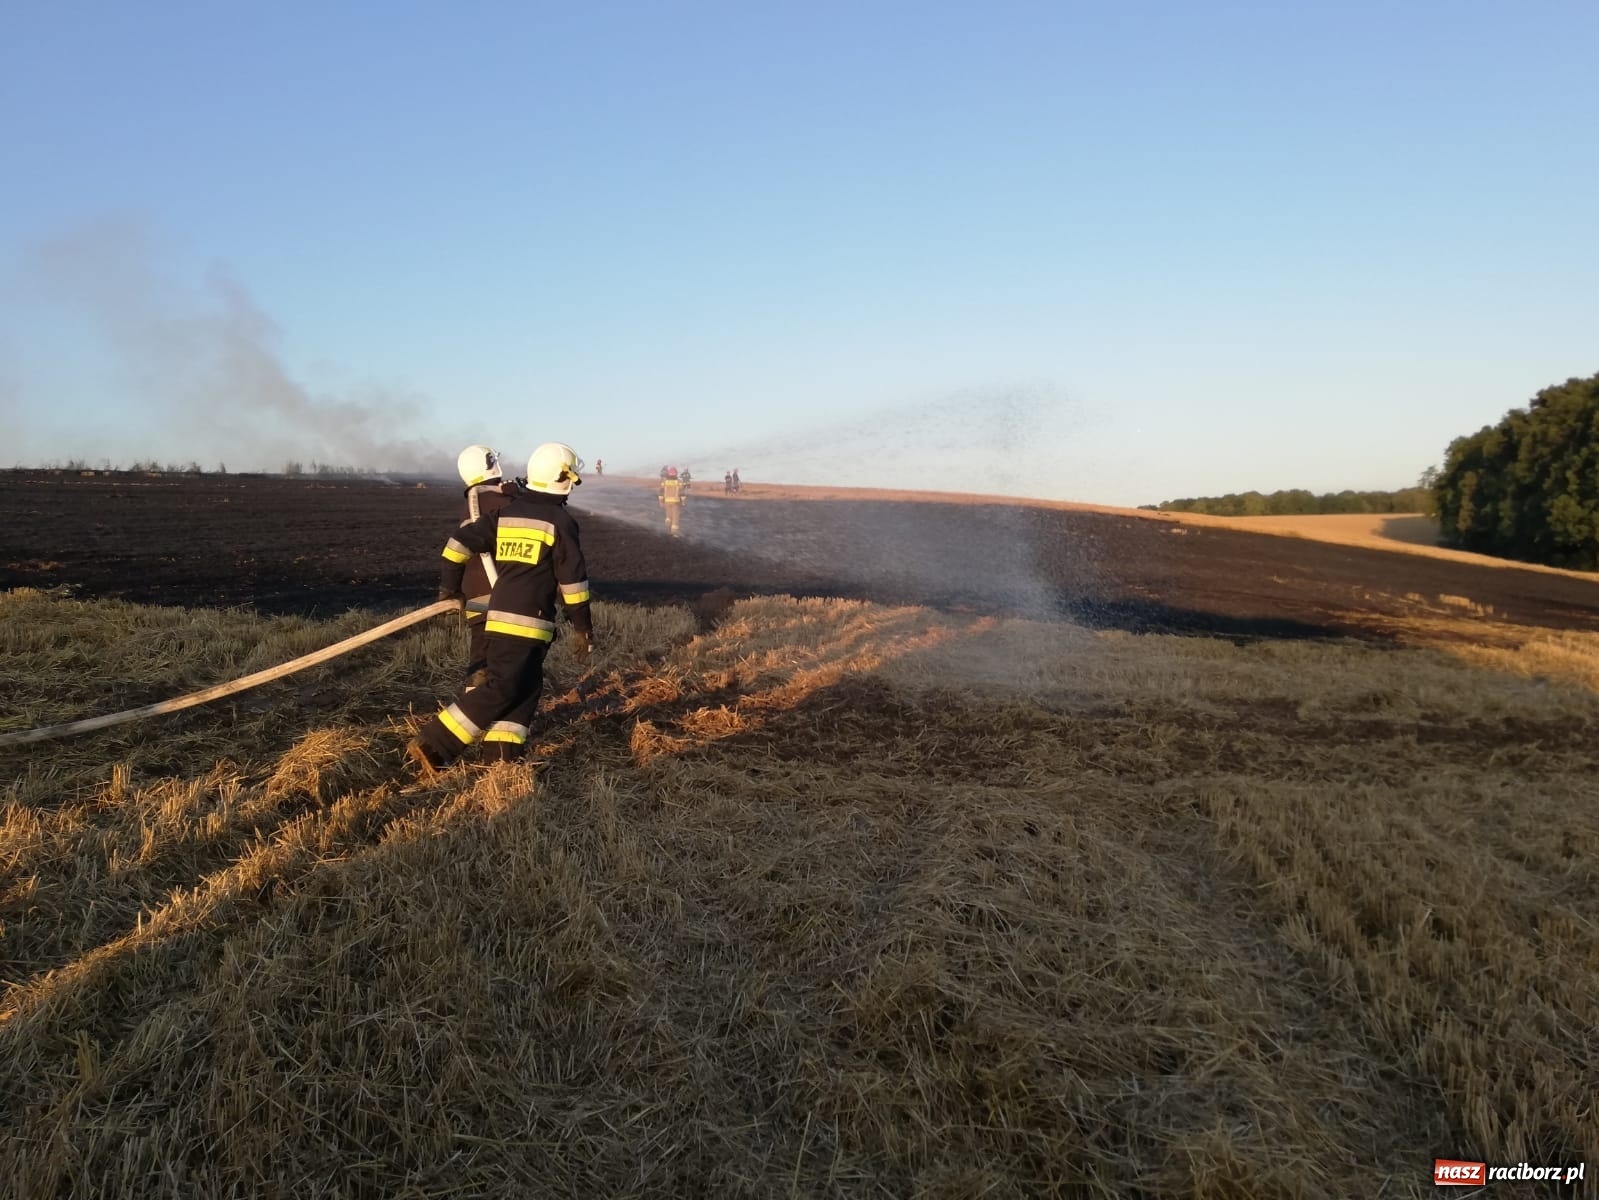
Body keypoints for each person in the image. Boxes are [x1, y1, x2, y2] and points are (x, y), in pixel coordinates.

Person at [408, 442, 594, 774]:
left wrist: (449, 587)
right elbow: (573, 584)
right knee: (502, 686)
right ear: (563, 479)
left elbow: (458, 543)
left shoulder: (506, 514)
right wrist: (582, 626)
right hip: (528, 621)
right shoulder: (560, 522)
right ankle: (435, 743)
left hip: (499, 617)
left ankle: (502, 757)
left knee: (525, 685)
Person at [453, 444, 512, 689]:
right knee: (507, 662)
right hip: (504, 594)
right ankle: (493, 712)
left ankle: (470, 706)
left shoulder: (471, 503)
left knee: (480, 658)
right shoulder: (503, 500)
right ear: (491, 464)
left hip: (476, 594)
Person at [659, 467, 685, 536]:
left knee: (668, 513)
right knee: (675, 516)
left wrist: (661, 501)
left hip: (667, 501)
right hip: (676, 502)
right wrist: (683, 501)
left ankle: (668, 520)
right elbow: (682, 493)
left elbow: (661, 492)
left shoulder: (664, 482)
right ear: (676, 473)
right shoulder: (679, 482)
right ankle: (674, 532)